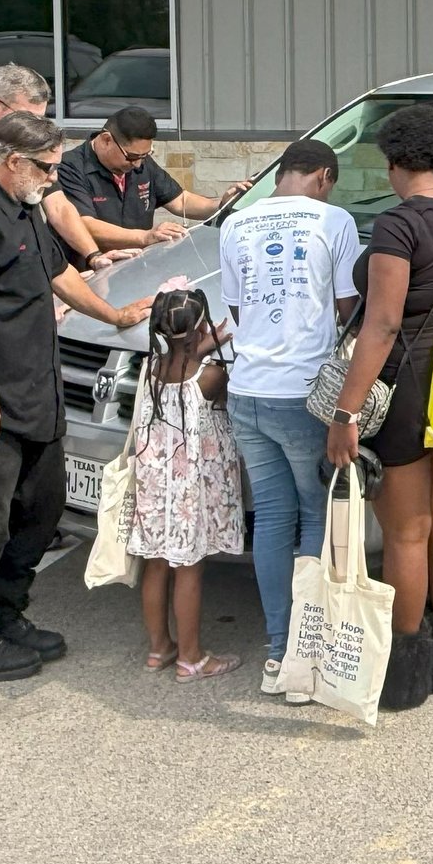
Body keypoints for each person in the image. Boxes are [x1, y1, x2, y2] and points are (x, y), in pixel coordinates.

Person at [0, 112, 152, 682]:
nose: (54, 176)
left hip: (35, 397)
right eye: (46, 166)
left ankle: (7, 615)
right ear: (12, 160)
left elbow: (59, 274)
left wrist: (114, 314)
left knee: (39, 516)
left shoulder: (23, 207)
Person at [323, 106, 433, 711]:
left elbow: (383, 323)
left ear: (393, 161)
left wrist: (346, 412)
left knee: (406, 534)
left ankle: (405, 673)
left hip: (405, 386)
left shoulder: (395, 225)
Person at [215, 136, 360, 700]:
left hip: (247, 388)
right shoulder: (334, 220)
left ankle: (278, 652)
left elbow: (235, 307)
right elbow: (349, 308)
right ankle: (308, 653)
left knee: (272, 519)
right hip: (304, 392)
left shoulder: (236, 223)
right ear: (323, 176)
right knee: (315, 517)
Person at [127, 284, 245, 679]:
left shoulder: (150, 368)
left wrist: (197, 346)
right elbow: (214, 392)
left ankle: (159, 649)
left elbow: (179, 364)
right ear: (199, 330)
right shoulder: (210, 377)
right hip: (189, 490)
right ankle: (191, 658)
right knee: (189, 568)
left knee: (156, 564)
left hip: (154, 484)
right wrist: (207, 350)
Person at [0, 63, 106, 269]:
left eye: (40, 118)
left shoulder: (32, 144)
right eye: (25, 117)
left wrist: (94, 255)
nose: (34, 125)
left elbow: (58, 206)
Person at [57, 105, 246, 264]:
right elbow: (84, 225)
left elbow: (180, 201)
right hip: (89, 271)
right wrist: (145, 237)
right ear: (107, 140)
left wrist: (221, 204)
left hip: (134, 268)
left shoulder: (140, 162)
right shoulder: (69, 167)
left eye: (145, 156)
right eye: (131, 157)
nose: (138, 164)